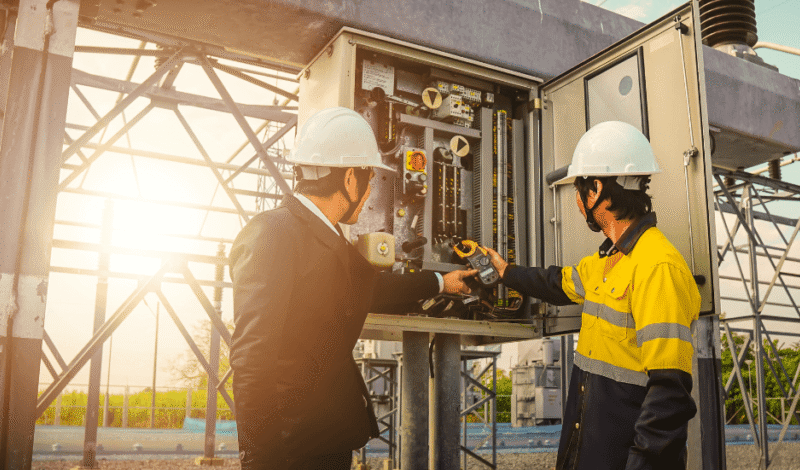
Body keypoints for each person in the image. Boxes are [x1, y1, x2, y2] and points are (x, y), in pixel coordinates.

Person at [228, 107, 477, 470]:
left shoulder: (326, 239)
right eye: (370, 180)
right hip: (292, 451)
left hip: (326, 439)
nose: (370, 192)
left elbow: (373, 289)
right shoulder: (272, 233)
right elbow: (251, 360)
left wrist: (442, 281)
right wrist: (259, 461)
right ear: (349, 180)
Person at [484, 120, 702, 470]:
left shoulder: (658, 266)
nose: (576, 201)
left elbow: (670, 394)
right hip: (590, 448)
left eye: (579, 189)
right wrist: (506, 272)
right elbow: (555, 283)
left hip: (624, 459)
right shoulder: (608, 261)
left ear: (596, 189)